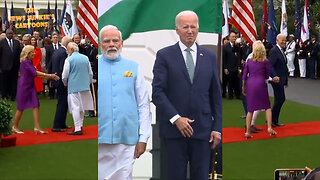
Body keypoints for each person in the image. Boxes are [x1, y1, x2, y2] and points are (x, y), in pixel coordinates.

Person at [152, 11, 222, 180]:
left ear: (198, 28)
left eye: (193, 26)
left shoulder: (210, 57)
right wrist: (176, 119)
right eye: (185, 27)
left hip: (203, 131)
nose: (190, 30)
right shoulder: (164, 55)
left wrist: (217, 128)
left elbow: (216, 96)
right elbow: (157, 93)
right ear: (177, 29)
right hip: (174, 133)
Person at [98, 25, 151, 180]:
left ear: (121, 43)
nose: (111, 44)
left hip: (127, 139)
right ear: (101, 45)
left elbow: (143, 104)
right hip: (100, 138)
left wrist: (143, 138)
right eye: (107, 41)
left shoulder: (133, 67)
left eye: (115, 40)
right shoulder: (94, 67)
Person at [11, 45, 59, 134]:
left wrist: (49, 76)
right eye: (32, 52)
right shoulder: (25, 62)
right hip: (24, 86)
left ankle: (37, 127)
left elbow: (35, 73)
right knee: (21, 107)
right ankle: (15, 126)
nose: (34, 53)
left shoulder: (29, 61)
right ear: (28, 53)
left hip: (30, 85)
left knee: (36, 105)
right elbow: (35, 73)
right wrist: (50, 76)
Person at [242, 41, 277, 138]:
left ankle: (248, 132)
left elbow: (244, 76)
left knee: (250, 110)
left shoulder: (249, 61)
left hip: (250, 84)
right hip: (261, 83)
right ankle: (269, 127)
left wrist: (243, 86)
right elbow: (267, 75)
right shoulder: (266, 62)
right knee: (267, 107)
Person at [62, 42, 94, 135]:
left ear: (71, 50)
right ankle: (80, 125)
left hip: (73, 86)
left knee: (75, 107)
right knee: (82, 107)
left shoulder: (69, 59)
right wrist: (88, 82)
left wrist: (65, 83)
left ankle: (77, 128)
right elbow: (90, 73)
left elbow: (64, 75)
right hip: (84, 85)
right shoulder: (85, 58)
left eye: (68, 49)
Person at [51, 36, 73, 132]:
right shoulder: (64, 53)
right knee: (62, 103)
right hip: (61, 81)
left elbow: (50, 65)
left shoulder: (56, 51)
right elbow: (62, 68)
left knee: (63, 102)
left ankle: (61, 123)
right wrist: (65, 81)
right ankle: (57, 125)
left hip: (56, 79)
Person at [268, 34, 288, 127]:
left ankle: (273, 120)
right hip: (276, 79)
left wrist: (286, 81)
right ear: (277, 40)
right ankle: (271, 119)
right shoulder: (274, 51)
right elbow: (270, 65)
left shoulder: (281, 50)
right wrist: (274, 76)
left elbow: (284, 66)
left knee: (279, 99)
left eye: (285, 40)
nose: (284, 42)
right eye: (282, 40)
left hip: (281, 79)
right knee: (280, 99)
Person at [223, 31, 241, 99]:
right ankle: (230, 95)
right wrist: (225, 68)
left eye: (235, 37)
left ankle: (238, 95)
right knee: (230, 82)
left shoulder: (238, 46)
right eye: (233, 37)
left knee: (237, 81)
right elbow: (224, 58)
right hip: (229, 67)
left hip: (237, 67)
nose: (234, 38)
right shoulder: (225, 47)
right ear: (229, 37)